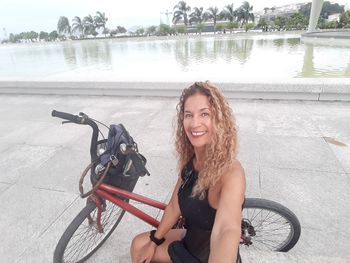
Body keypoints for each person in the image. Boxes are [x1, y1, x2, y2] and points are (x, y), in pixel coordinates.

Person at [130, 81, 246, 263]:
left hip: (206, 257)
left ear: (219, 120)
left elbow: (226, 229)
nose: (195, 123)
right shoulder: (191, 162)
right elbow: (175, 206)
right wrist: (154, 241)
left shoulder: (231, 172)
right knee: (139, 245)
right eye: (188, 115)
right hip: (189, 242)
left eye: (205, 114)